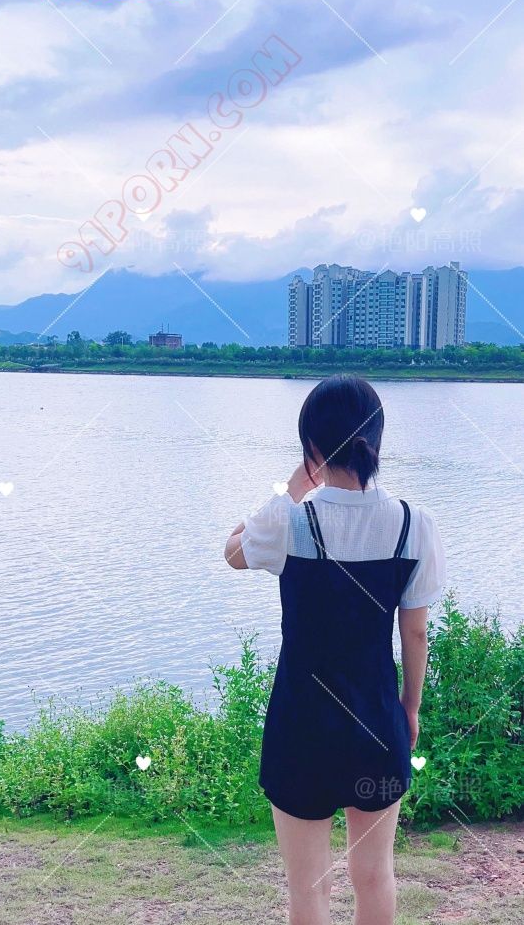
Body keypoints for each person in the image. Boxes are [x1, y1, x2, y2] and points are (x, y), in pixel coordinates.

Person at [224, 375, 446, 925]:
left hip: (300, 727)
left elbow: (232, 551)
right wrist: (410, 707)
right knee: (374, 875)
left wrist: (293, 485)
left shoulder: (290, 520)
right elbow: (415, 634)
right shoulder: (414, 525)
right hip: (376, 723)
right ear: (377, 440)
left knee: (308, 887)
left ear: (312, 447)